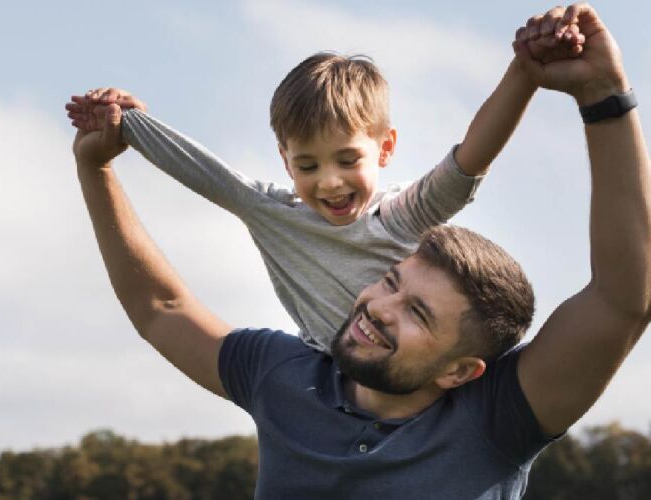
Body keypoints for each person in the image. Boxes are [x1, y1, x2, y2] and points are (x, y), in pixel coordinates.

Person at [71, 3, 650, 498]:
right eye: (393, 281)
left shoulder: (499, 419)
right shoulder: (282, 378)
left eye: (419, 313)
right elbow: (160, 310)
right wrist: (94, 167)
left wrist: (603, 97)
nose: (379, 307)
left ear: (462, 370)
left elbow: (625, 298)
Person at [66, 27, 582, 354]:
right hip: (332, 378)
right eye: (307, 164)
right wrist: (125, 122)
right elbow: (201, 169)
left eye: (347, 159)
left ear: (384, 149)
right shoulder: (272, 211)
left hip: (431, 377)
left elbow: (471, 157)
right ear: (284, 159)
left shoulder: (402, 217)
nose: (329, 181)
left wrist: (525, 73)